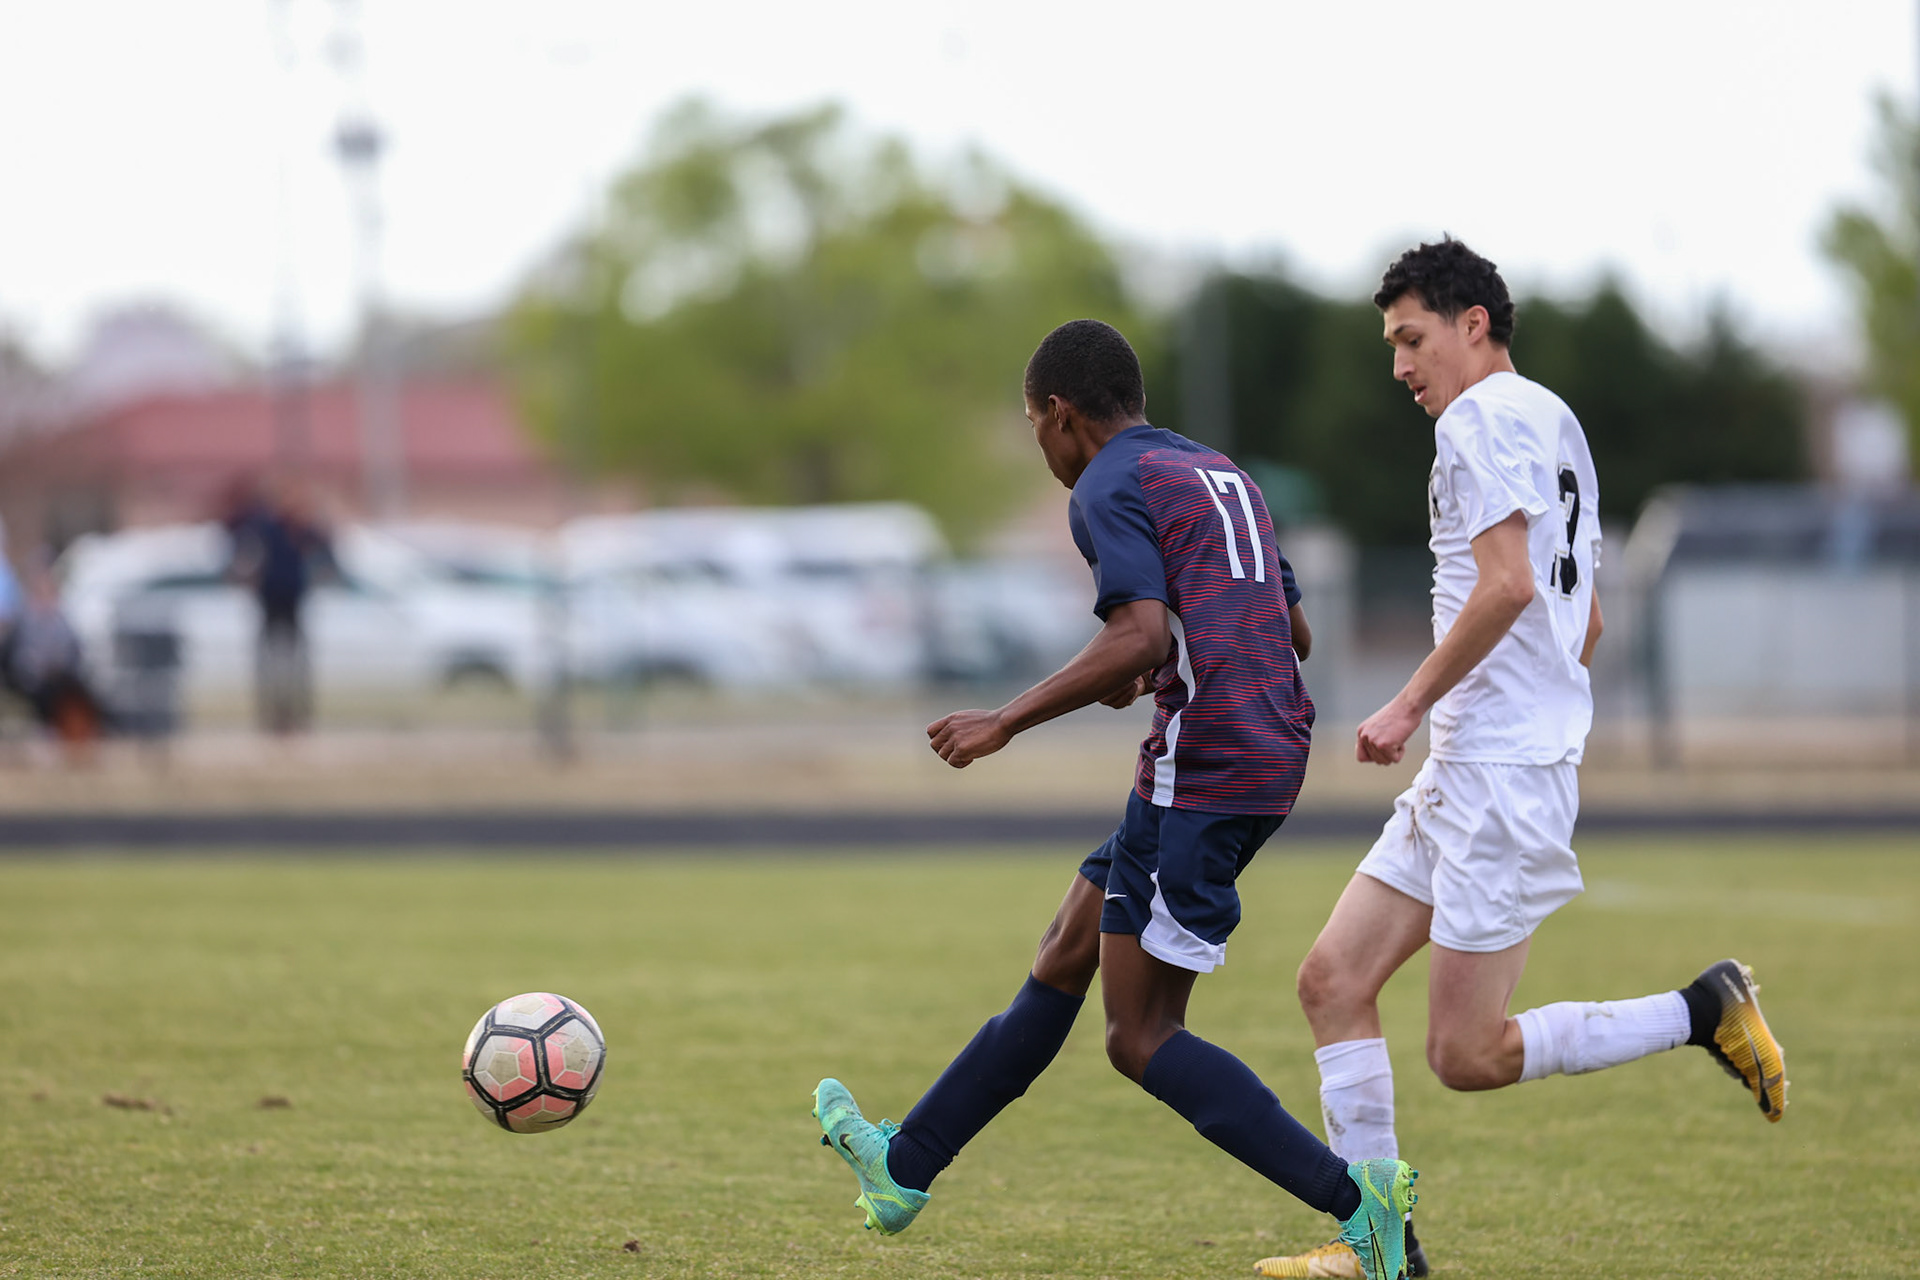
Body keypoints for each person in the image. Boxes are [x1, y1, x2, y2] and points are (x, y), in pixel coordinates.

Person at [811, 319, 1420, 1280]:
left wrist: (1004, 720)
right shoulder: (1220, 473)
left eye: (1032, 428)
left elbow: (1137, 634)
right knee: (1066, 951)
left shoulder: (1104, 483)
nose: (1042, 450)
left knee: (1141, 1038)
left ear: (1060, 415)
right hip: (1253, 750)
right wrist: (1173, 652)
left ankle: (1362, 1205)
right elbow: (1289, 629)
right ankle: (905, 1166)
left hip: (1207, 763)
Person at [1251, 238, 1787, 1280]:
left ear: (1473, 324)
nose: (1401, 366)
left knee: (1466, 1053)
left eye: (1412, 340)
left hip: (1497, 772)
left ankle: (1702, 1008)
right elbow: (1577, 616)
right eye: (1393, 346)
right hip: (1481, 761)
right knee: (1331, 979)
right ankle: (1379, 1245)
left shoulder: (1478, 418)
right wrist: (1511, 702)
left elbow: (1507, 588)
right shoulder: (1550, 416)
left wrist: (1408, 702)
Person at [225, 476, 337, 735]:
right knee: (270, 665)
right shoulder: (264, 526)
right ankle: (272, 718)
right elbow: (240, 547)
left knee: (296, 665)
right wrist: (246, 577)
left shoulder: (301, 527)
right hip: (269, 601)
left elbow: (327, 549)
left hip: (294, 601)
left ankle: (298, 716)